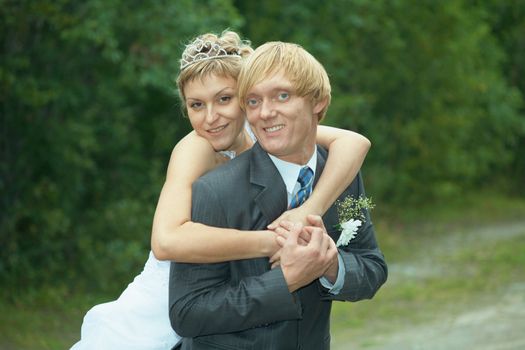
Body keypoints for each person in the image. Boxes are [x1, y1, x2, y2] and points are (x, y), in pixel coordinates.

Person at [71, 31, 370, 350]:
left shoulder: (264, 134)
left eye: (224, 99)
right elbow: (166, 241)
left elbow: (354, 142)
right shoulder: (196, 148)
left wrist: (306, 212)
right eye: (196, 105)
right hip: (160, 313)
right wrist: (276, 241)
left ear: (246, 98)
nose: (211, 117)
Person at [169, 41, 387, 350]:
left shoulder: (341, 176)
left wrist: (330, 265)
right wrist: (286, 280)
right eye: (254, 101)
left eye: (282, 96)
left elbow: (372, 266)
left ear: (318, 103)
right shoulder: (214, 190)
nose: (266, 113)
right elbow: (187, 313)